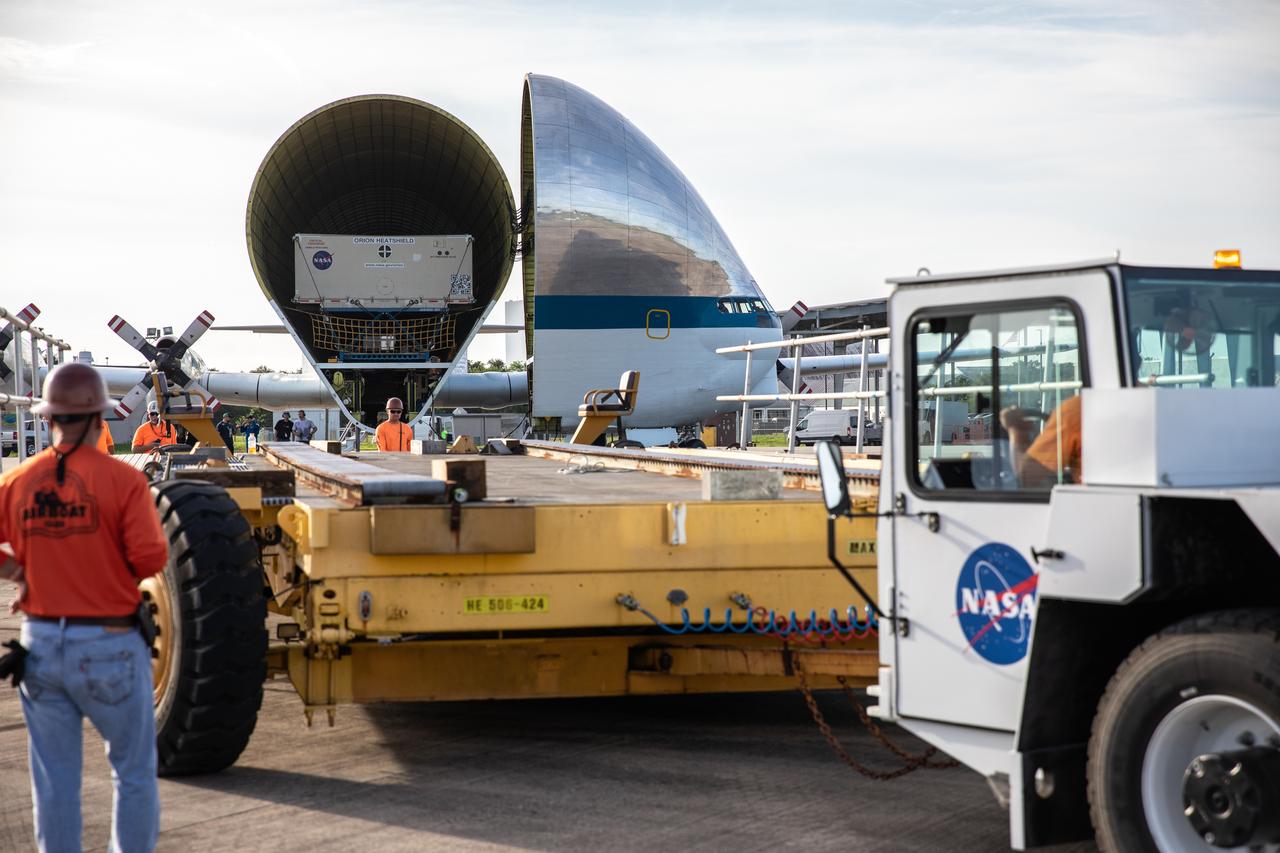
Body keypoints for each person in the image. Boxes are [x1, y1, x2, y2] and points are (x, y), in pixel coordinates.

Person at [0, 362, 167, 852]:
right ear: (99, 417)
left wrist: (20, 572)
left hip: (42, 646)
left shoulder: (18, 482)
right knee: (133, 775)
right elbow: (151, 557)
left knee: (54, 784)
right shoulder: (123, 482)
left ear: (48, 418)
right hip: (111, 645)